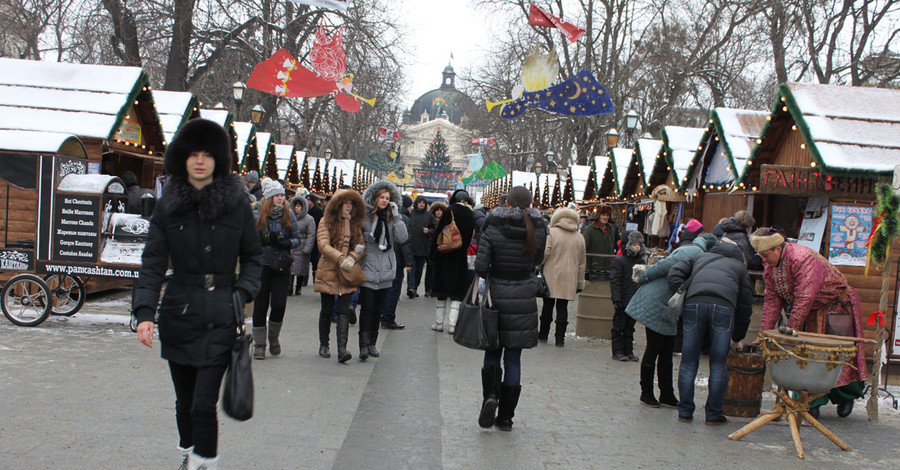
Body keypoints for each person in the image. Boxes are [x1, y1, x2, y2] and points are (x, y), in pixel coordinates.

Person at [133, 118, 262, 470]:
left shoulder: (237, 204)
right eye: (193, 154)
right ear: (182, 158)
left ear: (218, 158)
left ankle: (204, 464)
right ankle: (190, 452)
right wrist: (144, 312)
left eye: (207, 154)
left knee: (203, 403)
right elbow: (153, 262)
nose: (200, 161)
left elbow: (253, 257)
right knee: (184, 402)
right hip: (180, 311)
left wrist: (242, 292)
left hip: (222, 312)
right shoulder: (168, 205)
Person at [750, 227, 868, 418]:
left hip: (837, 307)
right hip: (811, 311)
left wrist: (791, 330)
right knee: (808, 356)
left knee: (840, 354)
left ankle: (847, 396)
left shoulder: (802, 258)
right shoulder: (770, 269)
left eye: (765, 255)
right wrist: (764, 333)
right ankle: (811, 402)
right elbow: (772, 300)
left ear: (777, 249)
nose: (763, 261)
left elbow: (805, 297)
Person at [475, 186, 548, 431]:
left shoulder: (493, 224)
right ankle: (506, 417)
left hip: (496, 295)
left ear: (507, 202)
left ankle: (491, 396)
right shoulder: (538, 227)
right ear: (530, 203)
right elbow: (537, 261)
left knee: (493, 350)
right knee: (514, 358)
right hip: (524, 294)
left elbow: (481, 265)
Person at [625, 220, 714, 409]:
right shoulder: (692, 252)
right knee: (655, 348)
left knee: (665, 351)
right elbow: (665, 266)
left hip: (667, 304)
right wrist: (644, 275)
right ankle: (646, 392)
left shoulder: (695, 251)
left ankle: (666, 394)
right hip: (658, 302)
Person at [668, 240, 754, 425]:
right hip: (723, 308)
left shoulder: (699, 257)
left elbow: (674, 271)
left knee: (689, 361)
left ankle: (684, 412)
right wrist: (737, 336)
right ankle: (713, 415)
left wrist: (683, 290)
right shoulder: (738, 267)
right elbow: (745, 305)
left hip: (694, 304)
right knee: (718, 363)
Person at [357, 181, 408, 358]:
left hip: (386, 266)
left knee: (378, 309)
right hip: (368, 264)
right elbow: (359, 236)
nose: (384, 201)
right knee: (367, 308)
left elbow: (402, 238)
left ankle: (372, 343)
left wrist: (396, 216)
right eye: (382, 197)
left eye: (387, 198)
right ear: (375, 198)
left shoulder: (392, 218)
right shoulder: (365, 216)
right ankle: (363, 345)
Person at [315, 189, 367, 363]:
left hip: (347, 272)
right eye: (345, 203)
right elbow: (323, 244)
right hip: (328, 270)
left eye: (351, 203)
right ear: (338, 204)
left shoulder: (354, 224)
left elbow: (360, 244)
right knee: (327, 309)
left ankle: (342, 349)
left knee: (344, 310)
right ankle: (324, 345)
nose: (348, 206)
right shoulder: (326, 221)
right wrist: (339, 257)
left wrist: (352, 257)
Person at [251, 180, 301, 360]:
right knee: (260, 305)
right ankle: (259, 344)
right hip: (262, 264)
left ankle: (273, 337)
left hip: (281, 264)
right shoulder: (257, 214)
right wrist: (265, 238)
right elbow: (249, 240)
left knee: (279, 304)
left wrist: (288, 243)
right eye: (277, 195)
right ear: (269, 197)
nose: (281, 198)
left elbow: (297, 238)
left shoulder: (288, 215)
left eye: (282, 195)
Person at [539, 207, 586, 347]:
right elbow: (582, 262)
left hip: (551, 274)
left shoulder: (551, 233)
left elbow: (545, 253)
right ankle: (560, 339)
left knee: (547, 305)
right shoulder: (580, 237)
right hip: (570, 276)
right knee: (562, 306)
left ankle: (543, 334)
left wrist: (539, 266)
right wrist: (579, 282)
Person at [430, 190, 476, 333]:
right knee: (457, 293)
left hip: (445, 256)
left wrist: (433, 254)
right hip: (461, 258)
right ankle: (453, 325)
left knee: (441, 291)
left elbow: (439, 234)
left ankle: (439, 323)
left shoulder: (449, 211)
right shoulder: (470, 214)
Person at [610, 231, 647, 360]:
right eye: (634, 244)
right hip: (623, 297)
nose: (637, 247)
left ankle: (628, 350)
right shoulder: (620, 261)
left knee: (630, 327)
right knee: (619, 326)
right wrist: (616, 298)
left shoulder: (641, 261)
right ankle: (618, 351)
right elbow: (616, 281)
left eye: (639, 244)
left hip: (634, 298)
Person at [289, 193, 317, 295]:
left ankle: (298, 287)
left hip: (302, 245)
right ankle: (289, 287)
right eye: (295, 206)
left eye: (299, 206)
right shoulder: (290, 217)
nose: (297, 208)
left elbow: (311, 234)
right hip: (292, 245)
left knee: (301, 269)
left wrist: (307, 248)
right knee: (291, 268)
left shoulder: (309, 219)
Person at [407, 196, 434, 298]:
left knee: (419, 270)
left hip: (423, 247)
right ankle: (411, 288)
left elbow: (433, 229)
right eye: (420, 202)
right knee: (411, 268)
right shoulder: (411, 214)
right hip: (411, 246)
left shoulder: (429, 216)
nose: (421, 204)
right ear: (416, 203)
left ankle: (414, 288)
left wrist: (429, 231)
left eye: (423, 202)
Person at [583, 204, 619, 274]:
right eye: (603, 215)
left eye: (607, 215)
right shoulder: (589, 229)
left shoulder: (611, 229)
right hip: (594, 268)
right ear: (598, 216)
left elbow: (614, 245)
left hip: (608, 267)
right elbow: (584, 248)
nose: (605, 217)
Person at [424, 201, 446, 297]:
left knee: (439, 269)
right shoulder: (430, 220)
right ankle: (428, 288)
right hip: (431, 247)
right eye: (437, 210)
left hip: (442, 248)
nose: (439, 212)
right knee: (430, 269)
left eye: (441, 210)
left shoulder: (446, 222)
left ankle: (436, 288)